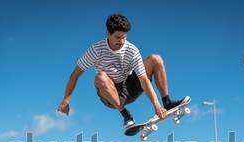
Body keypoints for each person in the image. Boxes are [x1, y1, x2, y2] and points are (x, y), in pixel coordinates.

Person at [57, 13, 188, 129]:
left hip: (130, 87)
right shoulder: (96, 50)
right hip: (111, 94)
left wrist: (157, 106)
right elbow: (75, 75)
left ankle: (167, 103)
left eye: (124, 37)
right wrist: (66, 100)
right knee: (101, 77)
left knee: (155, 59)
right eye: (118, 37)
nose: (121, 41)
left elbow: (143, 79)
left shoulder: (132, 50)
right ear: (108, 33)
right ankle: (125, 115)